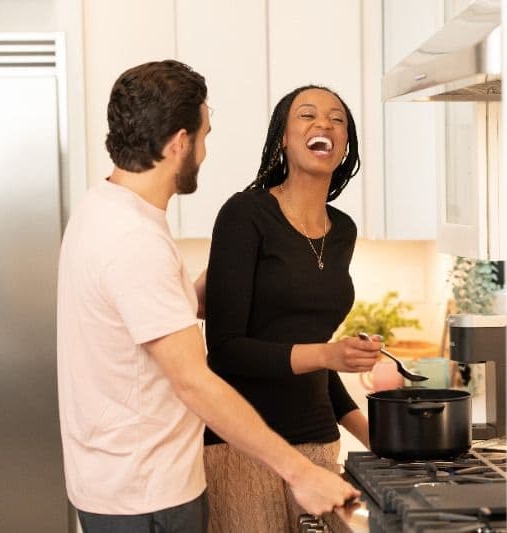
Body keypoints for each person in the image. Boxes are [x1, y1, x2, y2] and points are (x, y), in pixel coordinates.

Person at [56, 62, 359, 533]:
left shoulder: (104, 209)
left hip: (125, 483)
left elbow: (149, 312)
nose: (204, 150)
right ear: (180, 143)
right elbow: (194, 380)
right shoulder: (134, 240)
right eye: (204, 136)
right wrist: (299, 472)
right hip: (147, 494)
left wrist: (213, 285)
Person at [203, 85, 383, 532]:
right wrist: (327, 353)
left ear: (345, 144)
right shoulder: (245, 215)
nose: (324, 123)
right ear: (282, 137)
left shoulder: (343, 230)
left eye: (337, 119)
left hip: (319, 445)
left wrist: (374, 436)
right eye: (307, 115)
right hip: (243, 448)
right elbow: (226, 350)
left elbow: (314, 359)